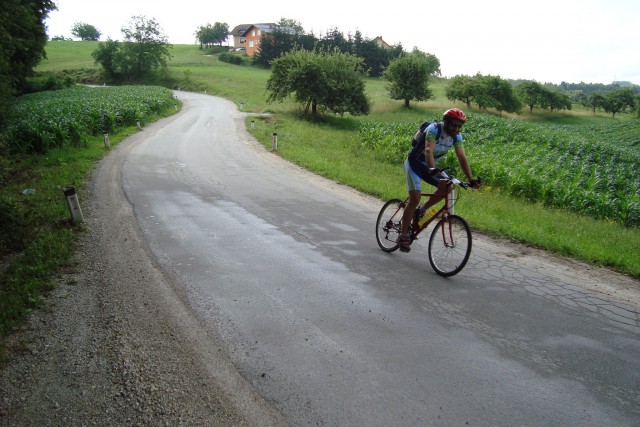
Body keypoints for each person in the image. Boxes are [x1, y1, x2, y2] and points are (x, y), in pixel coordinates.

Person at [398, 108, 480, 252]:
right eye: (453, 124)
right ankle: (403, 234)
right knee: (415, 198)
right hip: (414, 164)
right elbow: (429, 150)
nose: (456, 128)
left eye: (459, 126)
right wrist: (432, 169)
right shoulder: (434, 129)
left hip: (431, 167)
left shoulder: (456, 136)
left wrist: (471, 179)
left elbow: (462, 157)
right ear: (446, 122)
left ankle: (422, 210)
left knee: (448, 186)